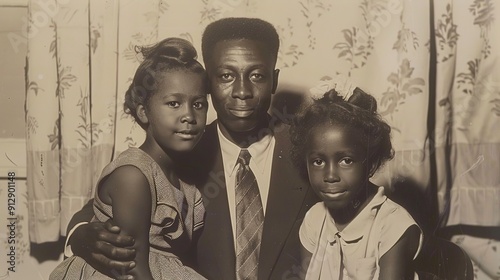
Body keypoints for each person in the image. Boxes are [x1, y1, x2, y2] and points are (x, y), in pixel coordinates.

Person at [65, 17, 319, 280]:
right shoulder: (179, 148)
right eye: (226, 76)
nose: (242, 91)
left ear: (274, 80)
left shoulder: (310, 151)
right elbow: (105, 205)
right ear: (207, 82)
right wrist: (80, 234)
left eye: (257, 75)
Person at [51, 38, 209, 280]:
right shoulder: (133, 175)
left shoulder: (183, 176)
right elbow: (132, 268)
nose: (189, 115)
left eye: (198, 104)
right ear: (144, 112)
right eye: (174, 104)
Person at [289, 82, 423, 279]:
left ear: (371, 163)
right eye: (318, 161)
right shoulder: (314, 220)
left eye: (346, 160)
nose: (330, 175)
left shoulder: (392, 225)